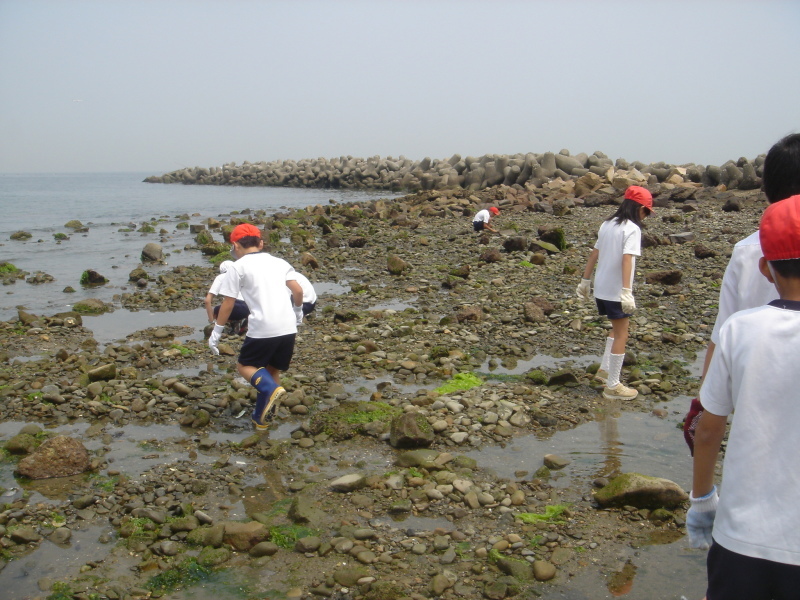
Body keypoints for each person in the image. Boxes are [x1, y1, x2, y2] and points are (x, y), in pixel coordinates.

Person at [687, 194, 800, 599]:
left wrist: (702, 501)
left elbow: (707, 430)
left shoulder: (739, 330)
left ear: (765, 268)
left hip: (741, 538)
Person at [683, 133, 800, 454]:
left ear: (767, 190)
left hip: (758, 401)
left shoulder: (749, 251)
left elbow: (721, 335)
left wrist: (702, 404)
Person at [209, 223, 304, 430]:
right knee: (271, 370)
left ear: (235, 245)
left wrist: (216, 331)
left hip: (263, 327)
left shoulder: (237, 267)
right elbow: (297, 291)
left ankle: (270, 390)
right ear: (260, 243)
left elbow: (228, 303)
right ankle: (262, 419)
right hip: (287, 326)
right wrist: (298, 313)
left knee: (246, 366)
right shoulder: (280, 262)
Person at [575, 185, 652, 400]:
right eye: (646, 211)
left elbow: (594, 253)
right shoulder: (632, 229)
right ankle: (613, 385)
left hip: (601, 288)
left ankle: (604, 370)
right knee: (622, 333)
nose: (646, 216)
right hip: (617, 290)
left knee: (615, 329)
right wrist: (627, 291)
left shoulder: (607, 224)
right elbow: (627, 258)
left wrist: (585, 281)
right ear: (639, 208)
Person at [204, 260, 250, 334]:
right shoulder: (243, 277)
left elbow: (207, 301)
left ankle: (233, 323)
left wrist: (211, 321)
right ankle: (245, 322)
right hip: (247, 309)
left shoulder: (220, 277)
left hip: (232, 307)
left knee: (219, 308)